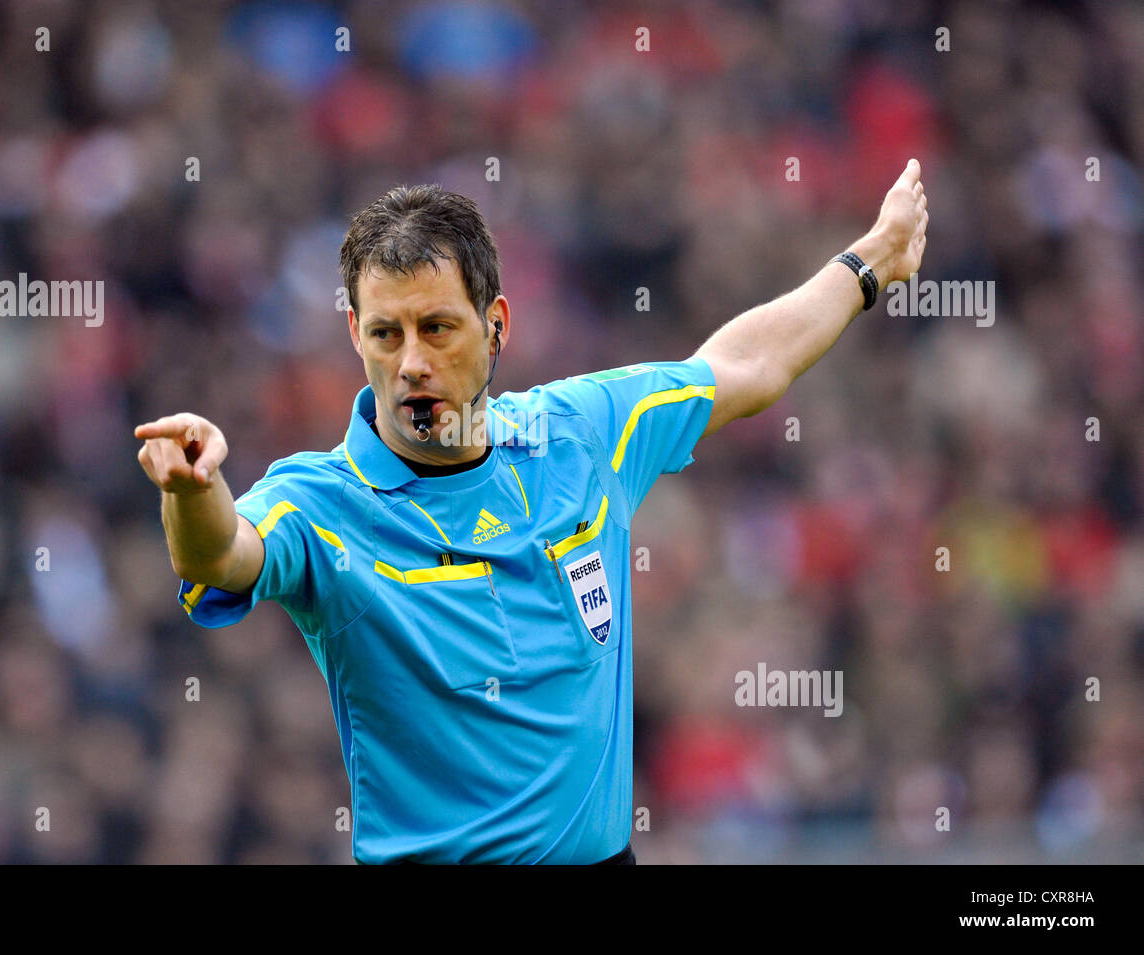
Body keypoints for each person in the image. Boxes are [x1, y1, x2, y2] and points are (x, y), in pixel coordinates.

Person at [134, 163, 928, 864]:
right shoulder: (318, 503)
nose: (411, 361)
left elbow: (744, 365)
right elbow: (219, 557)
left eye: (437, 327)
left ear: (497, 325)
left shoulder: (578, 435)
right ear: (355, 334)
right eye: (385, 333)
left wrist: (869, 265)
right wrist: (192, 490)